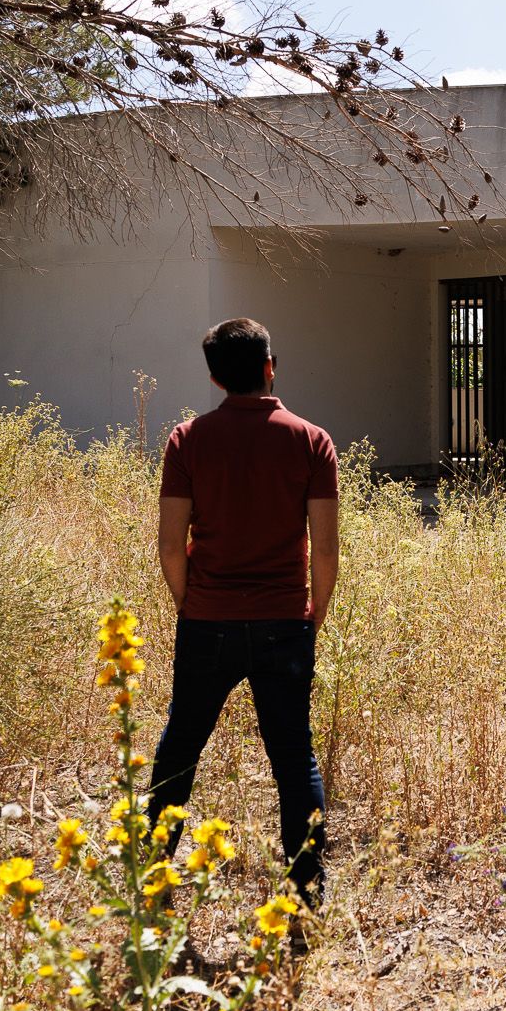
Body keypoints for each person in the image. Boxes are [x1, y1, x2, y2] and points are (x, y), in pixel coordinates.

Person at [149, 317, 339, 907]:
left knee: (181, 746)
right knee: (292, 753)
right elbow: (326, 548)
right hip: (285, 621)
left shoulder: (187, 440)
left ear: (213, 377)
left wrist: (191, 604)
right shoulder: (312, 441)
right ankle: (306, 892)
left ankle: (152, 879)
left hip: (207, 620)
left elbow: (168, 541)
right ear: (269, 367)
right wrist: (314, 614)